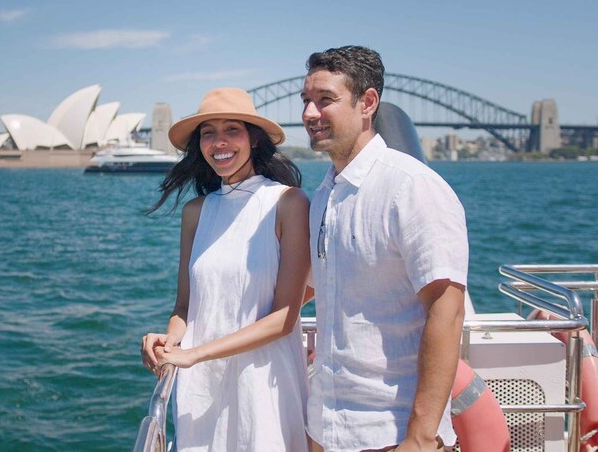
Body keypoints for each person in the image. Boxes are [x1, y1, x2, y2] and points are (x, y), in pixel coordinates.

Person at [300, 46, 468, 452]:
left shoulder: (411, 187)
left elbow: (447, 309)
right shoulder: (324, 194)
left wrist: (421, 437)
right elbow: (313, 287)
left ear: (368, 103)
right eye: (306, 100)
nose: (308, 113)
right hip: (325, 425)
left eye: (325, 100)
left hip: (389, 430)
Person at [141, 87, 311, 451]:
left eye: (232, 129)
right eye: (208, 132)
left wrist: (194, 353)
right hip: (201, 387)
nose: (219, 141)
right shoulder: (196, 212)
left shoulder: (287, 203)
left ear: (253, 139)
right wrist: (169, 339)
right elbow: (185, 307)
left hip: (263, 385)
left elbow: (284, 317)